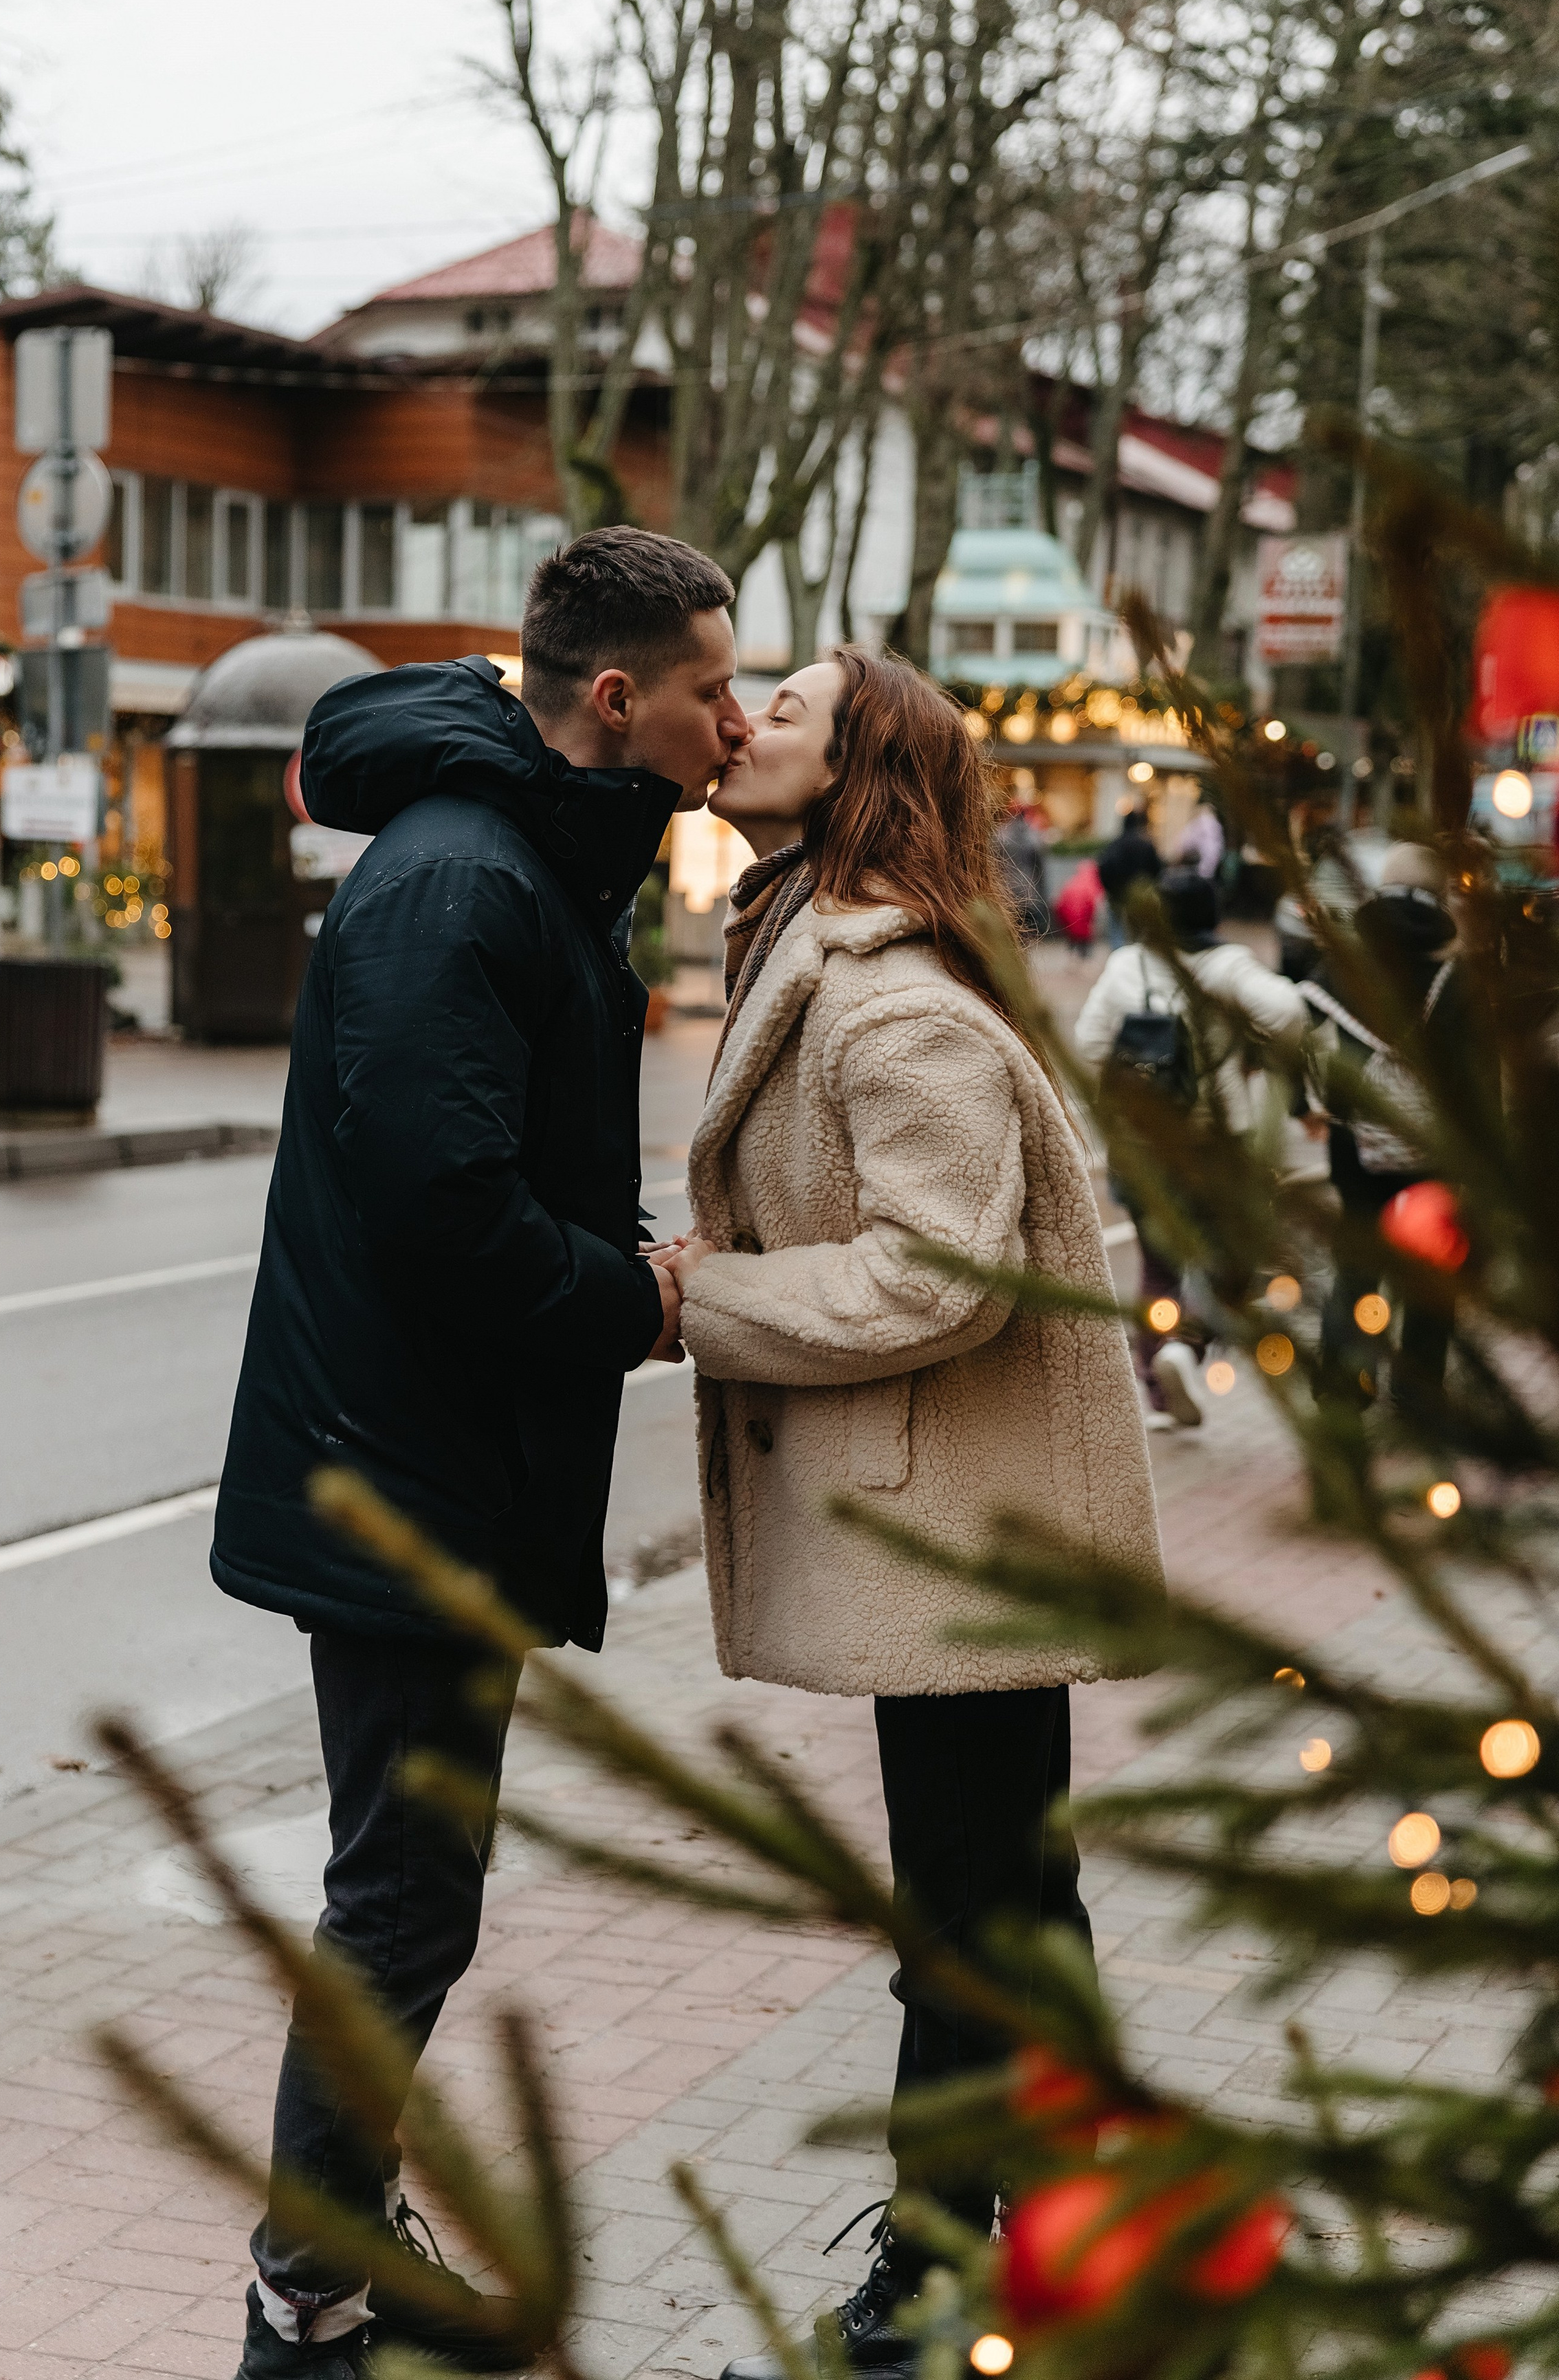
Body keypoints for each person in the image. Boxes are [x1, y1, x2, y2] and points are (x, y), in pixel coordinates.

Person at [211, 528, 750, 2380]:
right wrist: (637, 1301)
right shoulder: (464, 879)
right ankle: (308, 2295)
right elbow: (443, 1202)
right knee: (402, 1895)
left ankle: (335, 2242)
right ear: (619, 700)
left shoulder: (521, 851)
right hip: (402, 1473)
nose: (731, 722)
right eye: (708, 690)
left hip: (427, 1459)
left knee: (409, 1885)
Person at [652, 648, 1164, 2380]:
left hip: (953, 1533)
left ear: (855, 768)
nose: (741, 724)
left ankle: (933, 2290)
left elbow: (928, 1275)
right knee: (1006, 1901)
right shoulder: (827, 949)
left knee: (965, 1919)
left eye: (779, 709)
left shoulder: (890, 1003)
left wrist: (700, 1298)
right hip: (948, 1522)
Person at [1073, 868, 1306, 1428]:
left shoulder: (1127, 965)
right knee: (1231, 1257)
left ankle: (1156, 1391)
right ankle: (1190, 1345)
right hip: (1217, 1141)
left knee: (1158, 1267)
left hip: (1143, 1142)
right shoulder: (1226, 967)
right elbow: (1290, 1014)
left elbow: (1087, 1041)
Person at [1301, 842, 1473, 1416]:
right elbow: (1480, 1083)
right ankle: (1420, 1395)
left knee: (1356, 1267)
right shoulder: (1456, 977)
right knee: (1431, 1275)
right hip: (1437, 1157)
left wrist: (1310, 1110)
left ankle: (1343, 1389)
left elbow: (1295, 1039)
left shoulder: (1344, 965)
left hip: (1356, 1148)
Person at [1096, 800, 1159, 939]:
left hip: (1117, 894)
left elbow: (1103, 868)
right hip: (1141, 894)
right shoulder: (1146, 845)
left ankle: (1119, 956)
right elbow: (1157, 869)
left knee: (1117, 931)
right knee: (1140, 932)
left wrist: (1111, 890)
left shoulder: (1114, 845)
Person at [994, 797, 1050, 939]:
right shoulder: (1033, 837)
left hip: (1005, 889)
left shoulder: (1000, 836)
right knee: (1026, 930)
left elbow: (994, 865)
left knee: (1010, 931)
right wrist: (1042, 892)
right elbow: (1039, 867)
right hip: (1027, 889)